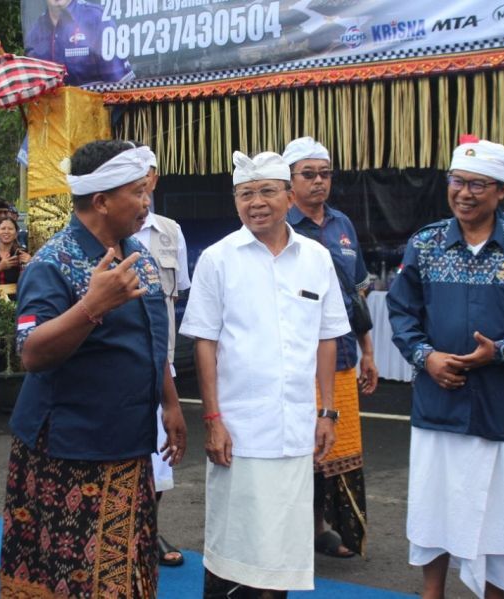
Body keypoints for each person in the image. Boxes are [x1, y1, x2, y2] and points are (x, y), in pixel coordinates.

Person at [0, 140, 186, 598]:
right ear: (101, 200)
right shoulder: (52, 263)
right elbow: (31, 352)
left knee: (123, 571)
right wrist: (92, 306)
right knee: (75, 575)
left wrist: (171, 403)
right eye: (137, 194)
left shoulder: (131, 253)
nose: (146, 204)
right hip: (70, 449)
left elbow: (149, 336)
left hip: (126, 439)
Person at [387, 138, 504, 599]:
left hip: (501, 406)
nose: (464, 193)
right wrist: (426, 357)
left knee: (500, 513)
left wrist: (501, 351)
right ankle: (432, 593)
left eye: (477, 185)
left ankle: (493, 595)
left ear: (502, 190)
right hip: (438, 400)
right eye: (457, 182)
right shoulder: (424, 244)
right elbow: (402, 312)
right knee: (433, 507)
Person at [180, 150, 350, 598]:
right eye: (245, 194)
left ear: (289, 197)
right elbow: (204, 342)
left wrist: (327, 411)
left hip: (295, 428)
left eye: (267, 191)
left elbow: (327, 337)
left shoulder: (315, 257)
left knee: (283, 550)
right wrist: (213, 420)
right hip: (239, 430)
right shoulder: (218, 259)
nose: (256, 202)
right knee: (234, 542)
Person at [283, 136, 378, 558]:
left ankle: (324, 529)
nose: (318, 181)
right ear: (289, 180)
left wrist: (369, 352)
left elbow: (357, 295)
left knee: (335, 448)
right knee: (296, 451)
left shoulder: (342, 224)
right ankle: (295, 534)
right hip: (295, 359)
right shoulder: (279, 225)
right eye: (309, 174)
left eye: (324, 174)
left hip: (340, 356)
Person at [132, 147, 191, 567]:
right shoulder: (103, 229)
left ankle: (149, 529)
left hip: (161, 358)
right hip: (119, 362)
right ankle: (128, 531)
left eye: (146, 174)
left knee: (161, 455)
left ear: (154, 177)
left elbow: (178, 293)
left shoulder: (170, 231)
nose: (143, 181)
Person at [24, 0, 133, 86]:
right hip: (51, 112)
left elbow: (121, 86)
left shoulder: (97, 19)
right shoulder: (35, 33)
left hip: (97, 111)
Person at [0, 215, 31, 301]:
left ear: (16, 234)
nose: (6, 232)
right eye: (3, 228)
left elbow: (32, 281)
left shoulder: (23, 253)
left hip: (17, 301)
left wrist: (30, 263)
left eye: (10, 229)